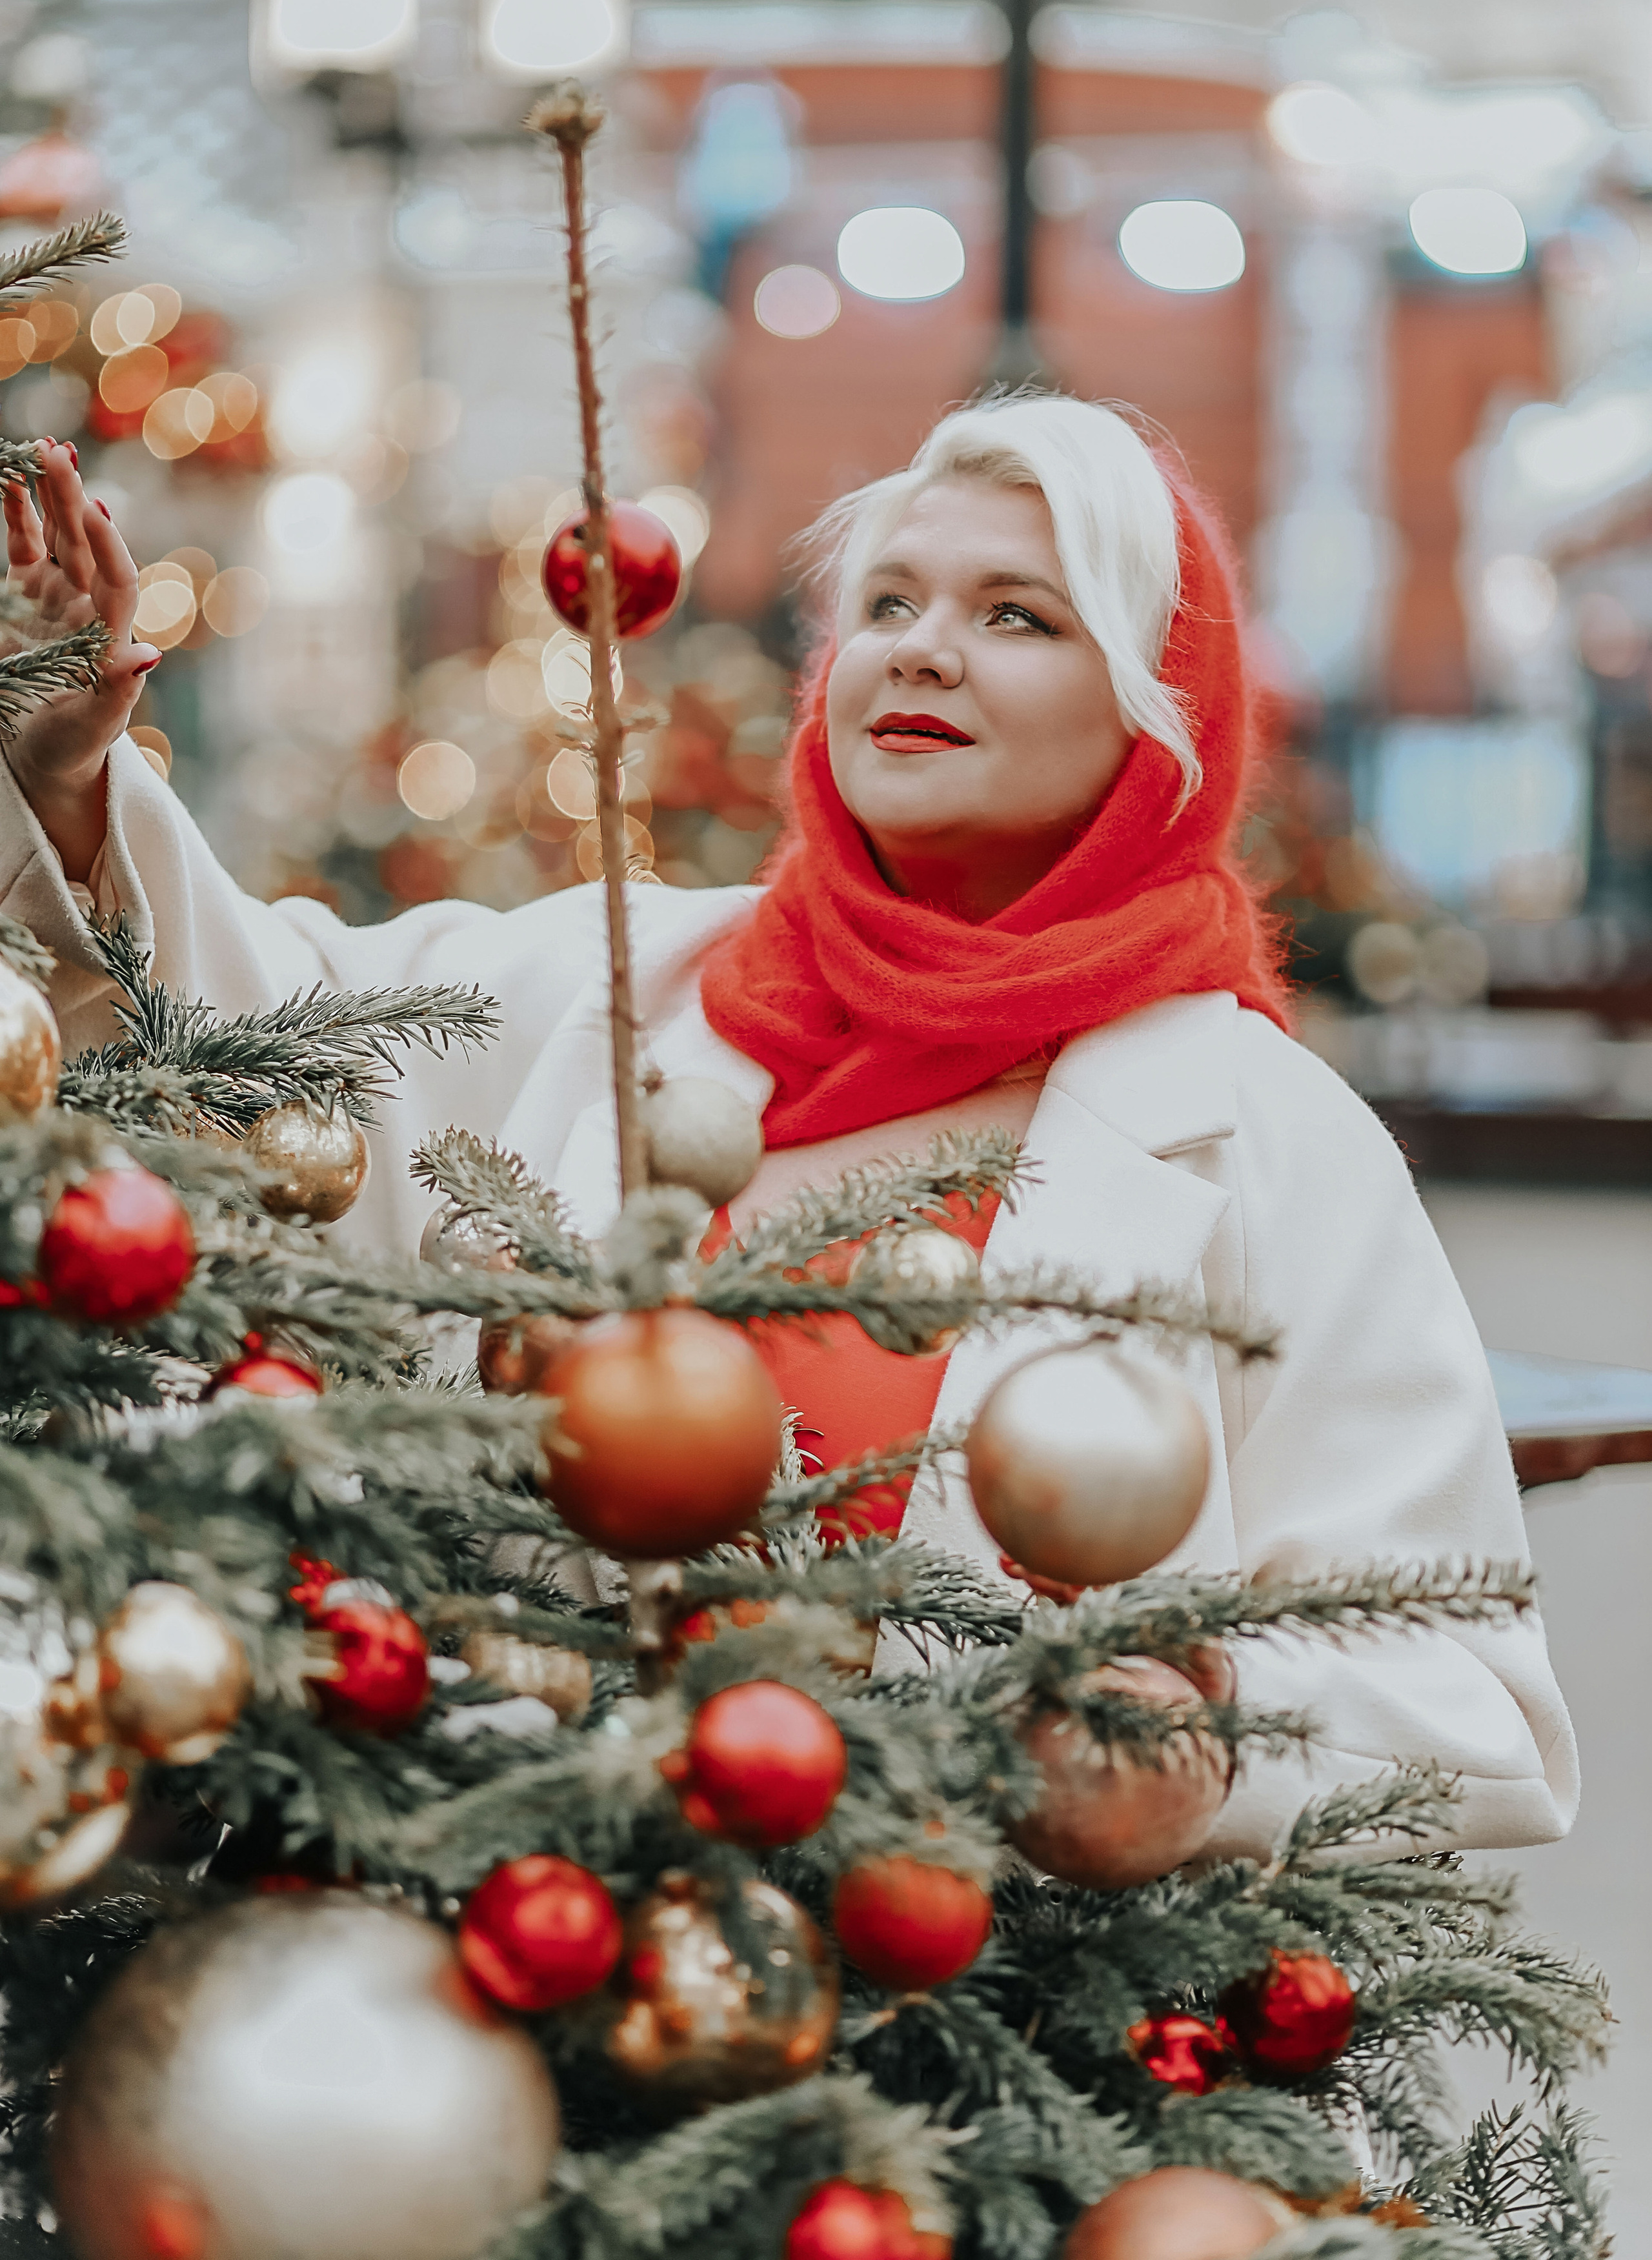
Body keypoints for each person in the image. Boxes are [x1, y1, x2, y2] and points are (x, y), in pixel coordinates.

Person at [0, 404, 1578, 1861]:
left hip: (1034, 2063)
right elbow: (251, 1045)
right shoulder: (620, 978)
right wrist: (70, 780)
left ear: (1158, 714)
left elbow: (1469, 1690)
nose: (919, 653)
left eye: (1014, 615)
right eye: (887, 606)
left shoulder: (1266, 1133)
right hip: (527, 1970)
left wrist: (1209, 1747)